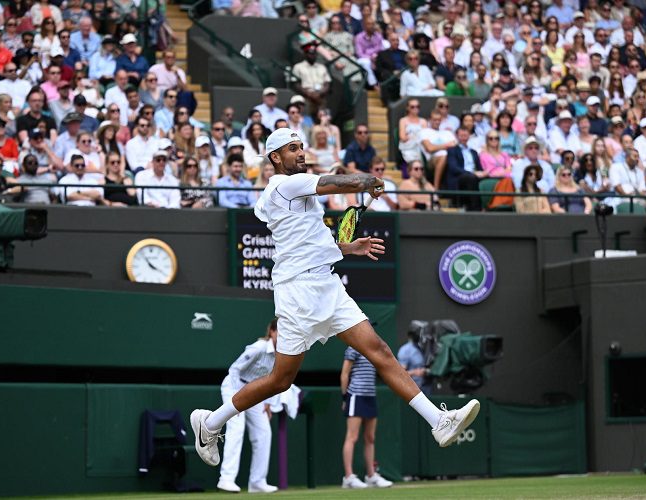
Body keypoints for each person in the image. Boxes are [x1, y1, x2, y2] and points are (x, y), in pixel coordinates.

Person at [190, 128, 481, 474]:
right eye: (291, 149)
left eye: (301, 147)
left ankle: (438, 420)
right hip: (298, 293)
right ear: (274, 159)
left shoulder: (295, 196)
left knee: (379, 351)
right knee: (280, 380)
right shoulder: (285, 185)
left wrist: (348, 248)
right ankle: (210, 422)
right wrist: (368, 179)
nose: (300, 152)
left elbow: (305, 240)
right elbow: (336, 183)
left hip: (327, 285)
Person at [215, 319, 280, 494]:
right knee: (236, 429)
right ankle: (226, 479)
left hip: (255, 393)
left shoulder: (283, 355)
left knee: (264, 433)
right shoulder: (259, 347)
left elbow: (275, 380)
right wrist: (236, 401)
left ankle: (257, 482)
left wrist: (268, 402)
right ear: (272, 332)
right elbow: (235, 369)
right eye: (281, 331)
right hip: (234, 388)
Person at [340, 346, 393, 489]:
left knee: (370, 438)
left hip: (370, 396)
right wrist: (345, 398)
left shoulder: (373, 348)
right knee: (352, 437)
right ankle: (348, 477)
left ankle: (371, 476)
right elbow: (345, 374)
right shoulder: (353, 348)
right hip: (355, 395)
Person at [396, 325, 431, 394]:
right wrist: (415, 372)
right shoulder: (405, 350)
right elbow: (400, 374)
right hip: (412, 391)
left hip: (426, 390)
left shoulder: (422, 348)